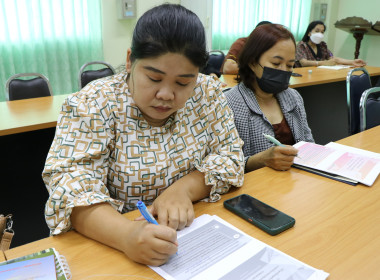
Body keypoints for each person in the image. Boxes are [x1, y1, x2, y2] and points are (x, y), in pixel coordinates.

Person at [42, 4, 244, 266]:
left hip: (189, 237)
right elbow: (71, 191)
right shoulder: (93, 104)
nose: (166, 94)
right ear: (129, 61)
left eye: (183, 82)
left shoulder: (207, 94)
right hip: (111, 247)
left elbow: (231, 155)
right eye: (154, 78)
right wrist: (126, 235)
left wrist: (182, 190)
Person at [225, 24, 314, 173]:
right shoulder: (230, 104)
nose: (284, 71)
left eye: (290, 65)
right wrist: (260, 160)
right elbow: (224, 165)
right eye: (276, 63)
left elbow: (309, 143)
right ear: (253, 62)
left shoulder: (294, 98)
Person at [295, 21, 366, 67]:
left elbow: (333, 59)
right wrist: (324, 63)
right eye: (317, 31)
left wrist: (352, 62)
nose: (319, 34)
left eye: (322, 32)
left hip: (318, 74)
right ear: (309, 33)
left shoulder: (322, 45)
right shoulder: (301, 45)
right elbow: (304, 63)